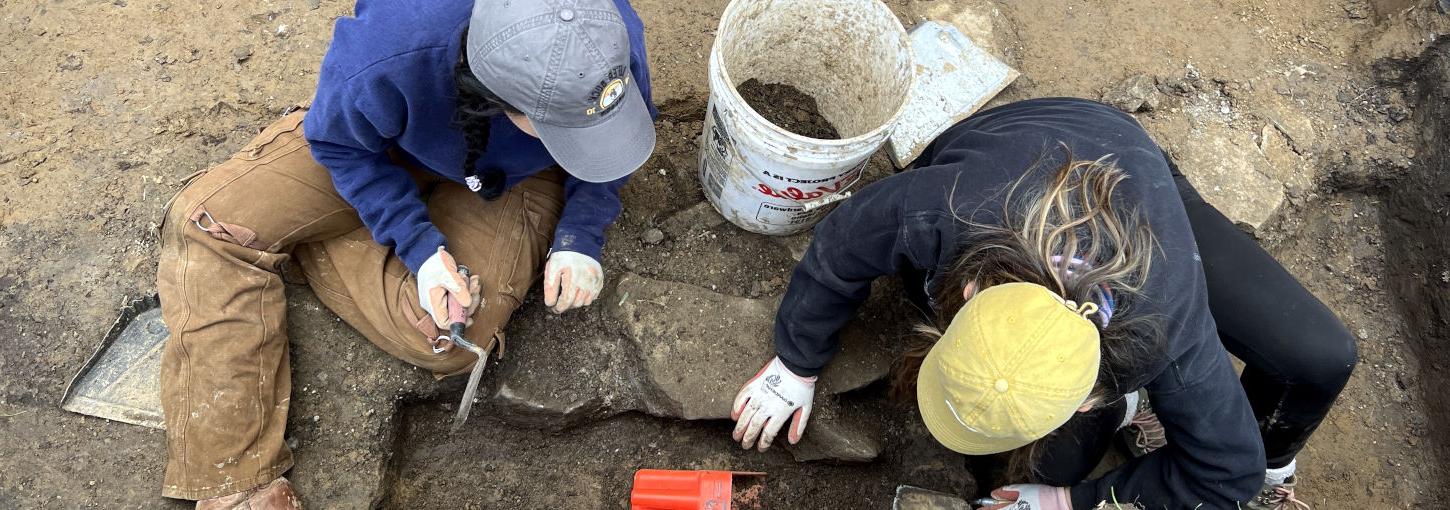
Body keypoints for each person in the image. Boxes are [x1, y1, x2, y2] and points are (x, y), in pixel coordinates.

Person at [729, 98, 1355, 509]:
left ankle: (1227, 445)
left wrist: (1068, 503)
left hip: (1147, 201)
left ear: (1092, 394)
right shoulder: (946, 209)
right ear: (971, 292)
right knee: (1061, 459)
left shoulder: (1168, 331)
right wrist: (795, 363)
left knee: (1322, 358)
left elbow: (1228, 474)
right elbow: (842, 242)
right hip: (1045, 143)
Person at [155, 0, 657, 506]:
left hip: (511, 179)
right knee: (211, 226)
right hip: (380, 145)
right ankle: (236, 481)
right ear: (502, 98)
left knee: (448, 336)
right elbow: (339, 144)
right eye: (565, 126)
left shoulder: (600, 33)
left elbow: (613, 142)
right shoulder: (394, 46)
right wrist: (421, 249)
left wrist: (579, 235)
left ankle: (311, 236)